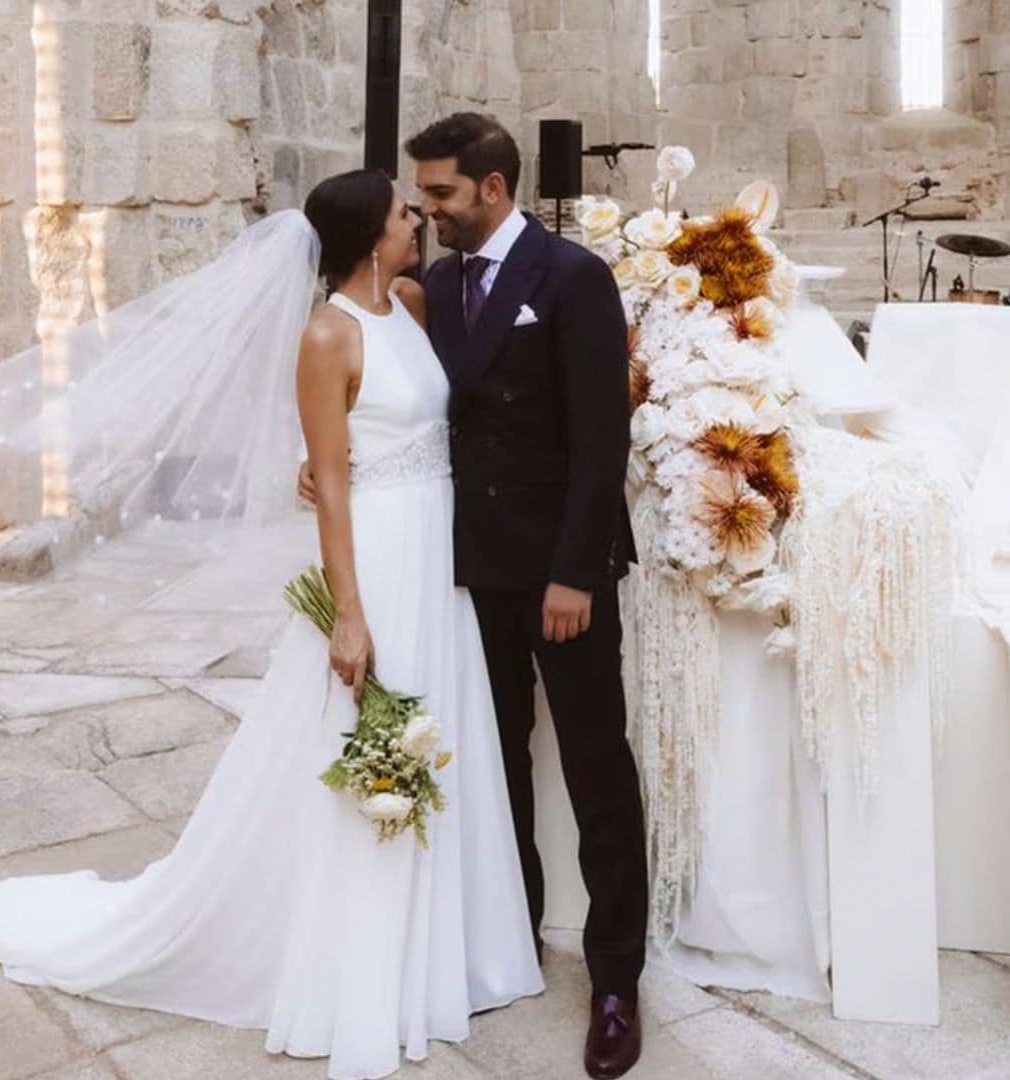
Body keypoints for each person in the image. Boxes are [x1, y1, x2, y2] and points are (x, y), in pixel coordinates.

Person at [0, 169, 544, 1080]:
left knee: (448, 732)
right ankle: (357, 965)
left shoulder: (411, 302)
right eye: (404, 213)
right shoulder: (327, 334)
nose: (418, 221)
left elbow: (439, 426)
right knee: (370, 739)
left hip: (443, 556)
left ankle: (451, 953)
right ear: (367, 236)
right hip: (382, 559)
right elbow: (333, 482)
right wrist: (348, 614)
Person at [302, 113, 649, 1080]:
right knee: (492, 767)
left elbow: (600, 439)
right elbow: (399, 408)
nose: (430, 210)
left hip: (561, 576)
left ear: (492, 189)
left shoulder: (574, 279)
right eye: (420, 199)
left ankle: (617, 979)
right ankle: (513, 939)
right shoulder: (432, 290)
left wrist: (575, 571)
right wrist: (326, 461)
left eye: (443, 194)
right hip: (467, 578)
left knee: (593, 768)